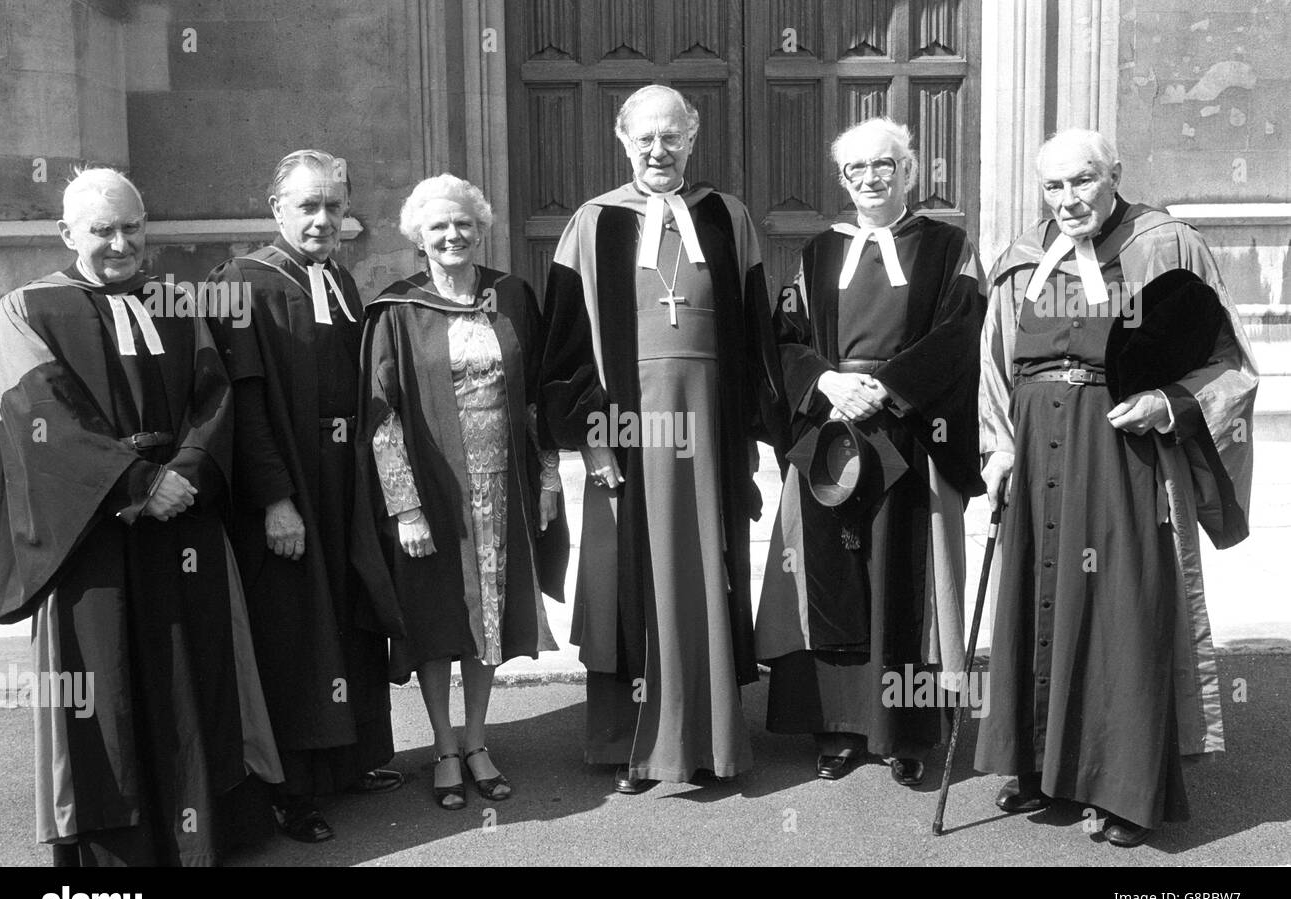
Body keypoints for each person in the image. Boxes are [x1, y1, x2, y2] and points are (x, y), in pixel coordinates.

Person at [975, 129, 1258, 847]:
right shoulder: (1020, 259)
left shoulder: (1167, 246)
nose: (1067, 199)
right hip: (1039, 457)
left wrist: (1169, 403)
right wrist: (999, 446)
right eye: (1052, 186)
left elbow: (1229, 362)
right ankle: (1042, 766)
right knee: (1042, 605)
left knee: (1122, 609)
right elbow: (995, 365)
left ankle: (1124, 788)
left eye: (1082, 182)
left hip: (1123, 458)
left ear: (1114, 177)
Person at [0, 168, 282, 866]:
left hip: (183, 517)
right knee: (104, 690)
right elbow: (39, 419)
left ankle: (204, 836)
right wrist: (138, 484)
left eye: (132, 226)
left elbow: (215, 396)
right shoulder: (25, 309)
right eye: (102, 231)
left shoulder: (180, 302)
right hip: (91, 530)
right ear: (66, 234)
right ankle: (118, 856)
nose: (121, 243)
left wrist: (184, 472)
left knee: (193, 676)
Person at [539, 84, 780, 793]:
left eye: (671, 135)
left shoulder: (727, 216)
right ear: (622, 139)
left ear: (693, 134)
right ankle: (630, 747)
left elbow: (757, 332)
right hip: (628, 426)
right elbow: (565, 347)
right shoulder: (591, 223)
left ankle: (707, 741)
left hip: (707, 426)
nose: (658, 149)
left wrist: (758, 434)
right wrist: (592, 437)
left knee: (704, 572)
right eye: (644, 137)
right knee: (631, 580)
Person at [755, 117, 986, 787]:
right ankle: (836, 729)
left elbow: (960, 333)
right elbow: (784, 339)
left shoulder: (948, 246)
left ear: (908, 171)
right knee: (832, 578)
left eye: (884, 165)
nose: (870, 179)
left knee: (901, 582)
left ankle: (905, 731)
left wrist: (886, 389)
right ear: (843, 179)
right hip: (829, 432)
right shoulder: (818, 252)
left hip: (908, 434)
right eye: (856, 170)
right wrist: (825, 381)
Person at [352, 174, 568, 809]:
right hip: (434, 490)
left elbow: (538, 400)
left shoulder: (513, 295)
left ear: (481, 229)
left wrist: (548, 478)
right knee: (438, 617)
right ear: (419, 236)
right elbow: (381, 417)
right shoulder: (396, 309)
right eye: (438, 226)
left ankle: (477, 741)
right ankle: (444, 744)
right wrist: (405, 506)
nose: (452, 235)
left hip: (502, 487)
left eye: (464, 224)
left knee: (487, 619)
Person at [204, 150, 401, 844]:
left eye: (334, 206)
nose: (323, 219)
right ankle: (288, 788)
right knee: (290, 632)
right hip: (290, 479)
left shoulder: (340, 278)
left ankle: (346, 760)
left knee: (343, 616)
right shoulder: (241, 282)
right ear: (275, 210)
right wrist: (275, 499)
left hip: (341, 475)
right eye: (308, 206)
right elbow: (243, 403)